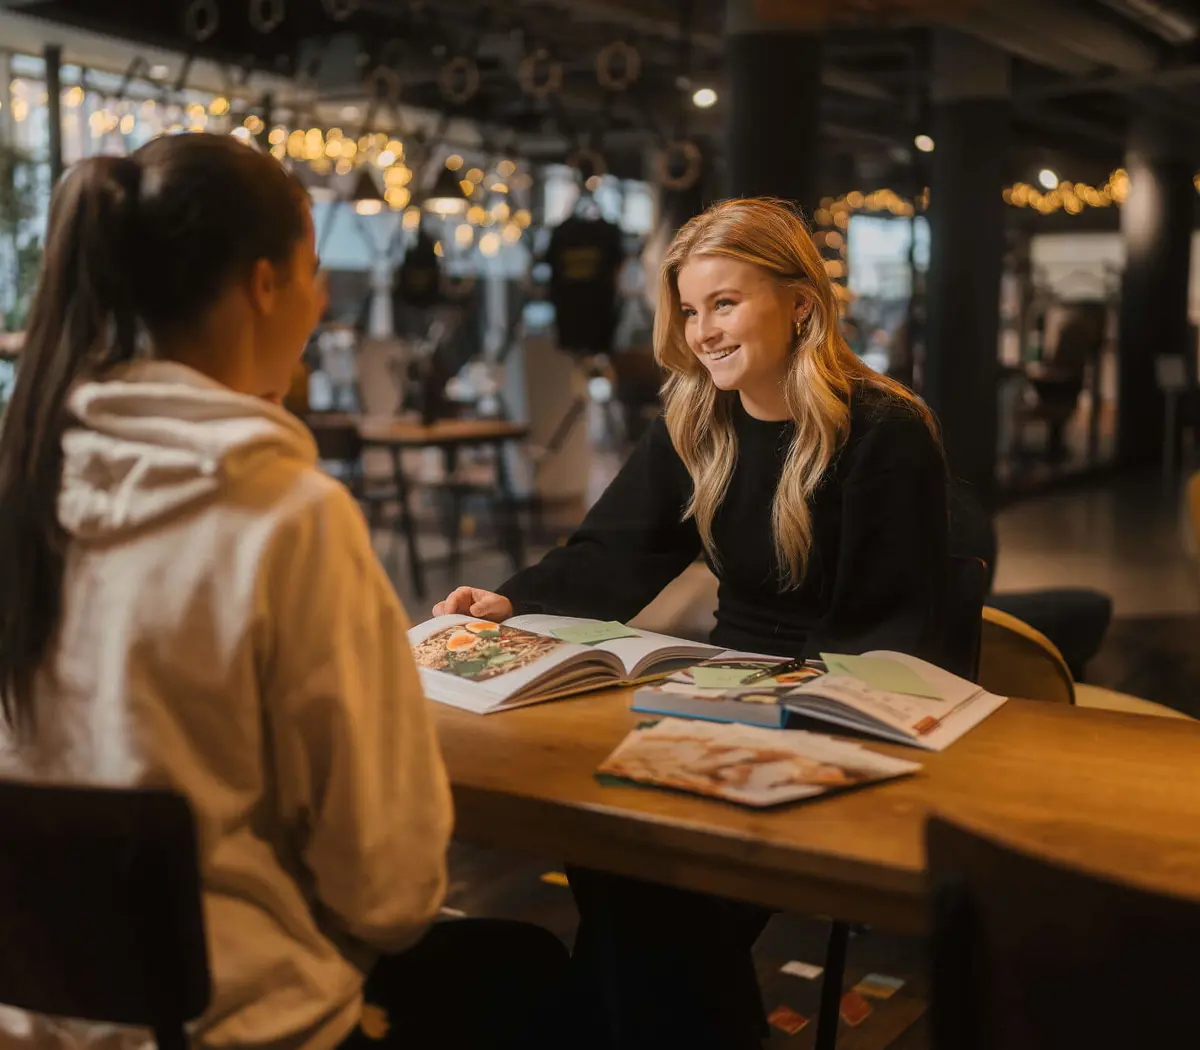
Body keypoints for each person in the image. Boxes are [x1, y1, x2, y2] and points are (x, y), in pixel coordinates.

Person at [0, 133, 565, 1050]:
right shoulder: (287, 515)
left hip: (34, 1019)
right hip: (232, 1026)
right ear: (264, 285)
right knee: (535, 981)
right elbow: (388, 892)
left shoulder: (23, 479)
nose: (324, 295)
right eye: (312, 267)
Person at [434, 197, 949, 1049]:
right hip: (725, 692)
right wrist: (511, 602)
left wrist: (766, 713)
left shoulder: (884, 431)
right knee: (620, 857)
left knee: (643, 887)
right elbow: (613, 553)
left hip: (847, 710)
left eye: (724, 303)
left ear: (801, 304)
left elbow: (887, 636)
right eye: (688, 308)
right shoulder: (696, 419)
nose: (701, 330)